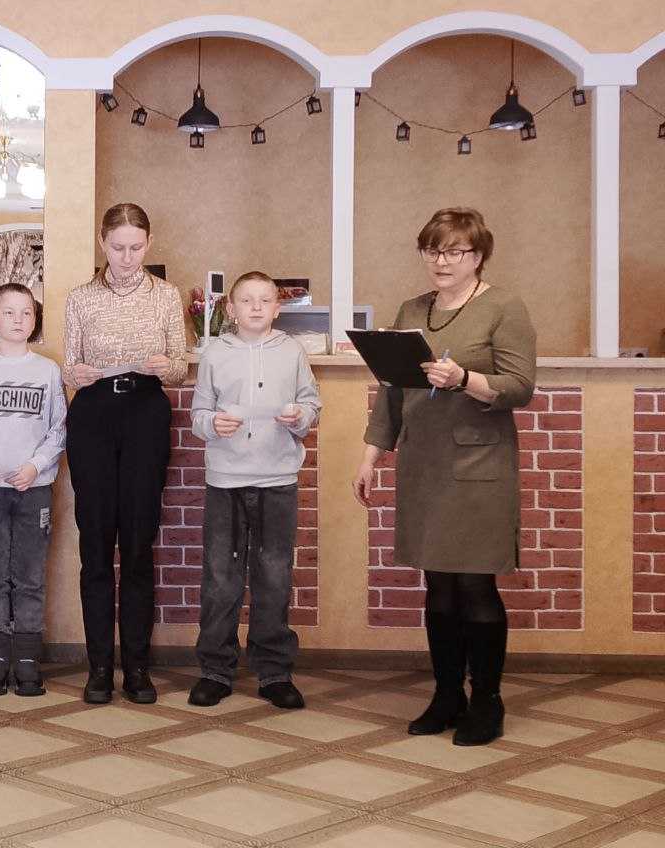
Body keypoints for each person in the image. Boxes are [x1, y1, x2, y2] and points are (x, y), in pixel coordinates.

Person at [352, 207, 535, 746]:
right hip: (424, 463)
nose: (442, 260)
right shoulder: (413, 309)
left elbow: (520, 386)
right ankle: (447, 695)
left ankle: (488, 701)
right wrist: (371, 456)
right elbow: (392, 390)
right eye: (433, 249)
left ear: (478, 256)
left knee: (475, 584)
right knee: (437, 586)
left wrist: (464, 378)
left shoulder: (504, 306)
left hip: (479, 465)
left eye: (455, 251)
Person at [63, 203, 187, 704]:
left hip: (145, 413)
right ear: (102, 244)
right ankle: (98, 668)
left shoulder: (166, 295)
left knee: (138, 543)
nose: (127, 257)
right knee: (95, 544)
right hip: (93, 414)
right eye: (118, 247)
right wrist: (77, 373)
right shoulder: (80, 298)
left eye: (136, 247)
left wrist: (164, 365)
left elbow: (180, 367)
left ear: (148, 244)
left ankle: (136, 667)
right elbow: (69, 366)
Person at [187, 271, 321, 710]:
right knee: (220, 577)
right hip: (225, 479)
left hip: (277, 478)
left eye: (265, 300)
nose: (257, 307)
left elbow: (312, 404)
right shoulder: (215, 353)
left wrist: (301, 416)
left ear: (278, 308)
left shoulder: (292, 351)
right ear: (231, 308)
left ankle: (274, 671)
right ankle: (214, 669)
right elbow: (199, 414)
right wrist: (213, 423)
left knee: (274, 575)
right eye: (247, 300)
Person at [0, 283, 67, 696]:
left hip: (33, 489)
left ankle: (27, 661)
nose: (18, 320)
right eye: (9, 312)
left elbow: (58, 430)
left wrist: (34, 466)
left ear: (34, 319)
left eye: (26, 312)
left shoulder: (48, 371)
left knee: (29, 576)